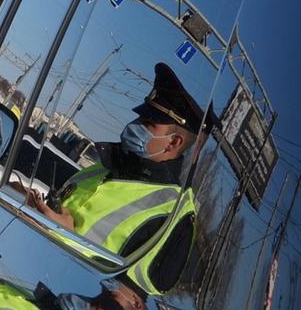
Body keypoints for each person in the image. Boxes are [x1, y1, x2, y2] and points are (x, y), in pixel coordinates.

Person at [24, 63, 209, 294]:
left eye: (148, 124)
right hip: (29, 264)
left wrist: (67, 237)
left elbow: (131, 302)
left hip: (57, 294)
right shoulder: (105, 168)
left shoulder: (171, 217)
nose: (134, 126)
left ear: (173, 142)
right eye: (140, 118)